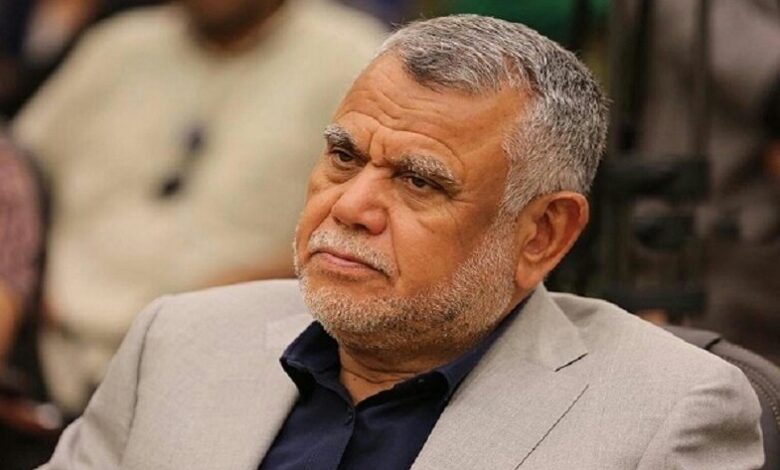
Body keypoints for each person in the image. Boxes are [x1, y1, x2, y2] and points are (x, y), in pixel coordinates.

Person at [39, 15, 763, 469]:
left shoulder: (666, 413)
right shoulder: (177, 340)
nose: (350, 206)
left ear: (542, 233)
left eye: (419, 181)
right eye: (343, 156)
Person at [11, 0, 386, 414]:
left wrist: (244, 294)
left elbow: (372, 221)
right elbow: (14, 170)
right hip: (48, 348)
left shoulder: (353, 61)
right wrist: (22, 274)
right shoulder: (118, 46)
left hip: (227, 370)